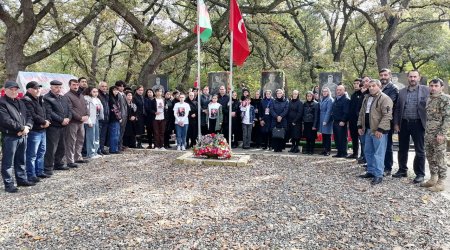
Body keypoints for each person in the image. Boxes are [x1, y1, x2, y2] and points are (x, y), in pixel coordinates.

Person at [393, 70, 429, 183]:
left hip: (418, 123)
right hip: (403, 123)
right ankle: (402, 170)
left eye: (415, 77)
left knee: (420, 150)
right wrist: (396, 123)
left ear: (419, 78)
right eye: (410, 77)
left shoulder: (426, 90)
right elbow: (398, 108)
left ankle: (420, 173)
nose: (412, 79)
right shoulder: (402, 91)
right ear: (407, 78)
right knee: (402, 148)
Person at [0, 81, 34, 193]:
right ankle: (9, 184)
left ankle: (21, 179)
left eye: (16, 89)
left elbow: (29, 115)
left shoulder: (20, 102)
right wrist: (21, 128)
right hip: (10, 136)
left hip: (23, 134)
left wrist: (27, 127)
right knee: (8, 162)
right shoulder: (2, 102)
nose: (14, 91)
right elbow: (6, 120)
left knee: (21, 159)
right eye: (11, 89)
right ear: (5, 90)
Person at [357, 79, 393, 185]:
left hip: (378, 131)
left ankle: (378, 175)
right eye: (370, 86)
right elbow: (361, 113)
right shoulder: (366, 98)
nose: (371, 88)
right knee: (368, 151)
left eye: (374, 86)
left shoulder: (385, 98)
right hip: (368, 129)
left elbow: (387, 116)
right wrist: (360, 125)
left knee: (378, 154)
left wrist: (380, 129)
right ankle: (371, 171)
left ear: (379, 86)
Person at [421, 79, 450, 191]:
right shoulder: (430, 98)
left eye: (436, 86)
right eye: (431, 85)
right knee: (430, 156)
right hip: (429, 133)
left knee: (440, 157)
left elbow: (448, 118)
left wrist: (442, 133)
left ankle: (441, 182)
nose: (433, 88)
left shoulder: (445, 99)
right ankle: (433, 178)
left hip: (439, 135)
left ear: (441, 87)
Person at [23, 81, 50, 183]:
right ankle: (31, 174)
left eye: (39, 88)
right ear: (29, 90)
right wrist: (43, 122)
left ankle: (39, 171)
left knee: (41, 152)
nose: (38, 90)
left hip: (43, 130)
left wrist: (47, 121)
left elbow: (46, 112)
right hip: (34, 131)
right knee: (32, 154)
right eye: (35, 88)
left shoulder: (40, 99)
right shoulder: (27, 100)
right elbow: (32, 115)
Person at [43, 80, 72, 175]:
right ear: (51, 87)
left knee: (62, 146)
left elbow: (69, 109)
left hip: (64, 126)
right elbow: (49, 112)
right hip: (53, 126)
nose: (58, 89)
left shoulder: (63, 98)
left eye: (60, 87)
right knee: (51, 148)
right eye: (56, 87)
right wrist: (61, 120)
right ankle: (48, 167)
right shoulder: (47, 98)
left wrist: (68, 118)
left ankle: (58, 164)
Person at [64, 79, 89, 168]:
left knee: (80, 140)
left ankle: (78, 157)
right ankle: (70, 160)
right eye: (74, 85)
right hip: (73, 122)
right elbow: (70, 109)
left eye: (77, 85)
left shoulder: (81, 95)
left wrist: (87, 115)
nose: (76, 86)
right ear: (69, 85)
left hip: (81, 122)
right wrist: (79, 117)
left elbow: (86, 106)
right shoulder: (67, 96)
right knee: (71, 141)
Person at [379, 68, 399, 176]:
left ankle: (388, 167)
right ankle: (379, 166)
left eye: (385, 75)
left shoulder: (393, 89)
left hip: (387, 121)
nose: (383, 77)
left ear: (389, 75)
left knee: (387, 146)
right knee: (379, 144)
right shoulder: (379, 87)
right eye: (381, 75)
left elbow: (389, 105)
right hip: (377, 121)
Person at [83, 87, 103, 159]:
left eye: (97, 91)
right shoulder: (86, 99)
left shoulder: (97, 99)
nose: (96, 93)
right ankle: (90, 153)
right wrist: (89, 121)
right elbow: (86, 111)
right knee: (91, 137)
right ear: (89, 92)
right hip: (90, 120)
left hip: (96, 118)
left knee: (97, 136)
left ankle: (95, 152)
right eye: (94, 91)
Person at [331, 85, 350, 158]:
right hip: (335, 121)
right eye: (337, 90)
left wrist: (343, 120)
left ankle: (343, 153)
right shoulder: (337, 99)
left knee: (342, 138)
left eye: (340, 90)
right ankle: (339, 152)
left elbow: (346, 112)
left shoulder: (346, 99)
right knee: (336, 138)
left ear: (344, 90)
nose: (338, 91)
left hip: (341, 122)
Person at [347, 79, 363, 159]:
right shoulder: (353, 95)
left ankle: (363, 155)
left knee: (362, 138)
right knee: (354, 137)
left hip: (360, 120)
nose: (356, 85)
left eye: (358, 83)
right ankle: (355, 153)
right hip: (352, 120)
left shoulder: (363, 94)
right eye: (354, 83)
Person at [319, 87, 334, 156]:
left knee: (328, 136)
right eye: (323, 91)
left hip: (327, 119)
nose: (324, 92)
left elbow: (329, 111)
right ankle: (324, 149)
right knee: (323, 135)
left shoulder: (330, 100)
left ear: (328, 92)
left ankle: (328, 150)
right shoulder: (322, 99)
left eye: (326, 91)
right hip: (321, 118)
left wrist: (325, 120)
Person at [108, 86, 122, 154]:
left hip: (117, 119)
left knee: (117, 134)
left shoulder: (116, 98)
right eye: (114, 90)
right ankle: (113, 149)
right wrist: (119, 118)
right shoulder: (111, 98)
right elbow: (114, 110)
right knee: (114, 134)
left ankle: (115, 148)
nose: (116, 91)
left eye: (117, 90)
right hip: (113, 119)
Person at [97, 81, 110, 155]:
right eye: (102, 86)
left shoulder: (107, 95)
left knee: (103, 135)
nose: (104, 88)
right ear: (99, 87)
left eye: (105, 86)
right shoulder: (98, 95)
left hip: (106, 118)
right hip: (100, 118)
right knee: (98, 135)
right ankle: (98, 149)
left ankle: (101, 148)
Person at [115, 81, 128, 151]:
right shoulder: (117, 95)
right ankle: (117, 146)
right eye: (120, 86)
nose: (122, 88)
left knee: (122, 131)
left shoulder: (124, 94)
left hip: (125, 115)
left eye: (123, 86)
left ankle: (120, 145)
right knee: (118, 131)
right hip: (120, 116)